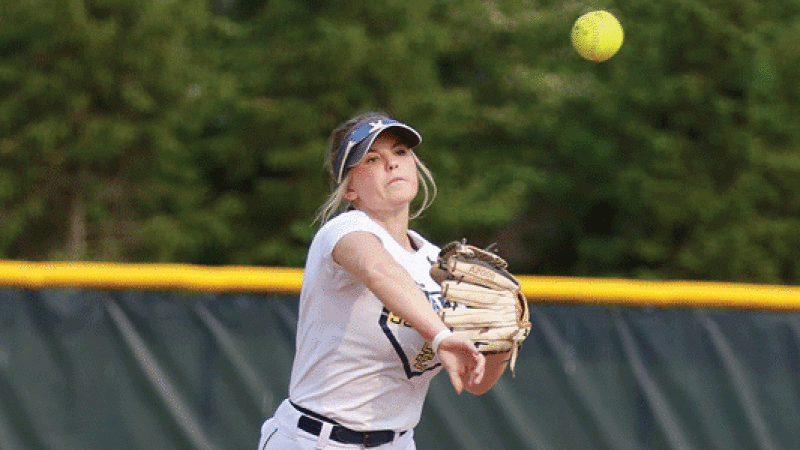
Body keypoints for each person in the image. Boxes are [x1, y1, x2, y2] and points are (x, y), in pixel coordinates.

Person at [257, 111, 512, 449]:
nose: (392, 164)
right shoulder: (343, 232)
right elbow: (380, 271)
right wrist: (439, 336)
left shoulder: (440, 265)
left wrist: (503, 339)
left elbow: (475, 382)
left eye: (401, 152)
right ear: (349, 187)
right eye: (372, 159)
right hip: (314, 439)